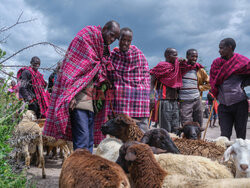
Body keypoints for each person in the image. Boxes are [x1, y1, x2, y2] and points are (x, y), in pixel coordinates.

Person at [43, 21, 120, 152]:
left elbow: (98, 69)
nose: (112, 40)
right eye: (111, 35)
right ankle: (79, 169)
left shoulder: (103, 48)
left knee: (89, 140)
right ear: (105, 28)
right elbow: (70, 69)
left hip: (91, 99)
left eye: (115, 38)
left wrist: (104, 79)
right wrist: (70, 95)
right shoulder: (86, 37)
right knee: (82, 139)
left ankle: (85, 170)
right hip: (77, 98)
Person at [108, 27, 150, 132]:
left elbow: (146, 76)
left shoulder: (139, 55)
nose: (125, 43)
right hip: (121, 99)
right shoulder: (113, 56)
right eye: (123, 39)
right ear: (118, 39)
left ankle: (142, 148)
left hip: (140, 100)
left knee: (141, 132)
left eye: (128, 40)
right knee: (122, 130)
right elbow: (109, 74)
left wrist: (150, 94)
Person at [210, 38, 250, 139]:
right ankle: (225, 155)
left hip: (240, 103)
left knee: (241, 135)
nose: (219, 51)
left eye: (221, 48)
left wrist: (244, 83)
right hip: (223, 105)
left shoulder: (242, 61)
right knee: (224, 135)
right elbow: (213, 81)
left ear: (230, 47)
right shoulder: (216, 63)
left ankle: (240, 154)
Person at [150, 48, 181, 133]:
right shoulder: (161, 67)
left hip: (175, 101)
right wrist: (151, 98)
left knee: (176, 128)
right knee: (165, 129)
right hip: (164, 101)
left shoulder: (176, 68)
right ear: (167, 56)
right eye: (174, 55)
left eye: (177, 55)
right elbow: (151, 83)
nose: (176, 57)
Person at [179, 49, 210, 127]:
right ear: (187, 56)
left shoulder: (199, 69)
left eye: (196, 57)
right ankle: (186, 139)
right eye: (192, 56)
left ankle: (198, 138)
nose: (195, 58)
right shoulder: (180, 67)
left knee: (198, 121)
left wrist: (200, 87)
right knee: (186, 123)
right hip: (184, 100)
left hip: (196, 99)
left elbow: (210, 83)